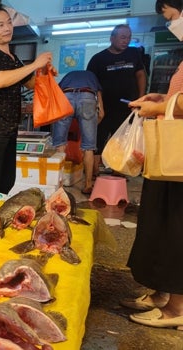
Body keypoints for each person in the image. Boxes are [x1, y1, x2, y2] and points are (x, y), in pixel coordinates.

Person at [119, 0, 183, 330]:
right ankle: (162, 293)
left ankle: (177, 308)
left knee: (176, 227)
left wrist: (163, 109)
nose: (173, 24)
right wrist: (162, 99)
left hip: (179, 158)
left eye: (173, 17)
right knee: (158, 222)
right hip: (170, 158)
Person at [0, 6, 53, 198]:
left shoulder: (12, 58)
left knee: (4, 182)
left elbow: (30, 83)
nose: (7, 28)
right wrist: (34, 64)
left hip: (8, 130)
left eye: (8, 22)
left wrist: (43, 71)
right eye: (0, 25)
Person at [87, 24, 146, 176]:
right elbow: (91, 84)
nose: (126, 41)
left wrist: (141, 98)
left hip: (128, 107)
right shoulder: (98, 59)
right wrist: (96, 106)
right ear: (112, 38)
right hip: (104, 108)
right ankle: (93, 174)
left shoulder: (134, 53)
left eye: (128, 37)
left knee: (121, 141)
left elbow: (140, 75)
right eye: (122, 37)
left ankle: (117, 172)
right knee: (98, 140)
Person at [52, 70, 104, 195]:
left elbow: (56, 93)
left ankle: (59, 185)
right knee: (89, 146)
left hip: (66, 97)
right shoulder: (92, 76)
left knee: (60, 143)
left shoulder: (68, 75)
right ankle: (87, 185)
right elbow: (100, 107)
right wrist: (94, 121)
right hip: (87, 97)